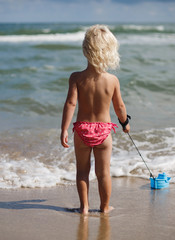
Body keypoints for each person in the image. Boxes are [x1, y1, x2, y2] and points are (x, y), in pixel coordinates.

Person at [60, 24, 130, 214]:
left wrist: (64, 129)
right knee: (103, 173)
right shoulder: (112, 80)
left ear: (86, 50)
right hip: (104, 132)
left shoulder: (76, 77)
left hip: (82, 130)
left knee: (82, 172)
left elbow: (70, 104)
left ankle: (84, 207)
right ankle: (105, 207)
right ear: (109, 51)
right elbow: (120, 107)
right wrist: (124, 123)